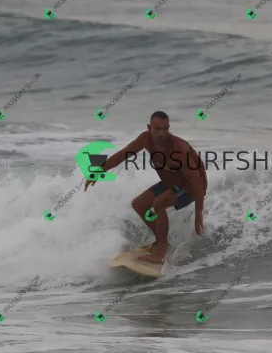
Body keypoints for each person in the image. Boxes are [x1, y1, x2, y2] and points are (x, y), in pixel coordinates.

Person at [84, 111, 208, 263]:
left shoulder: (179, 148)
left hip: (191, 187)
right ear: (149, 127)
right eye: (157, 129)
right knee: (139, 204)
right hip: (173, 182)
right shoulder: (145, 139)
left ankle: (161, 253)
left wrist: (199, 212)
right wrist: (100, 170)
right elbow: (123, 154)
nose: (161, 133)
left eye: (165, 129)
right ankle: (162, 242)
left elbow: (196, 180)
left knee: (159, 203)